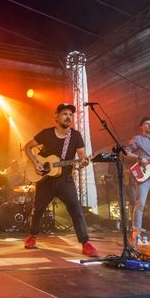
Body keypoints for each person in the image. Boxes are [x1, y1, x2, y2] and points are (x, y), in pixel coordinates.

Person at [24, 103, 99, 257]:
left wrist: (84, 161)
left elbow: (82, 156)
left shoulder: (75, 136)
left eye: (71, 115)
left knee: (76, 209)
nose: (68, 117)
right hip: (45, 180)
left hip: (65, 179)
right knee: (38, 209)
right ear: (56, 117)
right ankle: (32, 236)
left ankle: (85, 243)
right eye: (65, 114)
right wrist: (36, 162)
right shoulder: (46, 133)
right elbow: (27, 147)